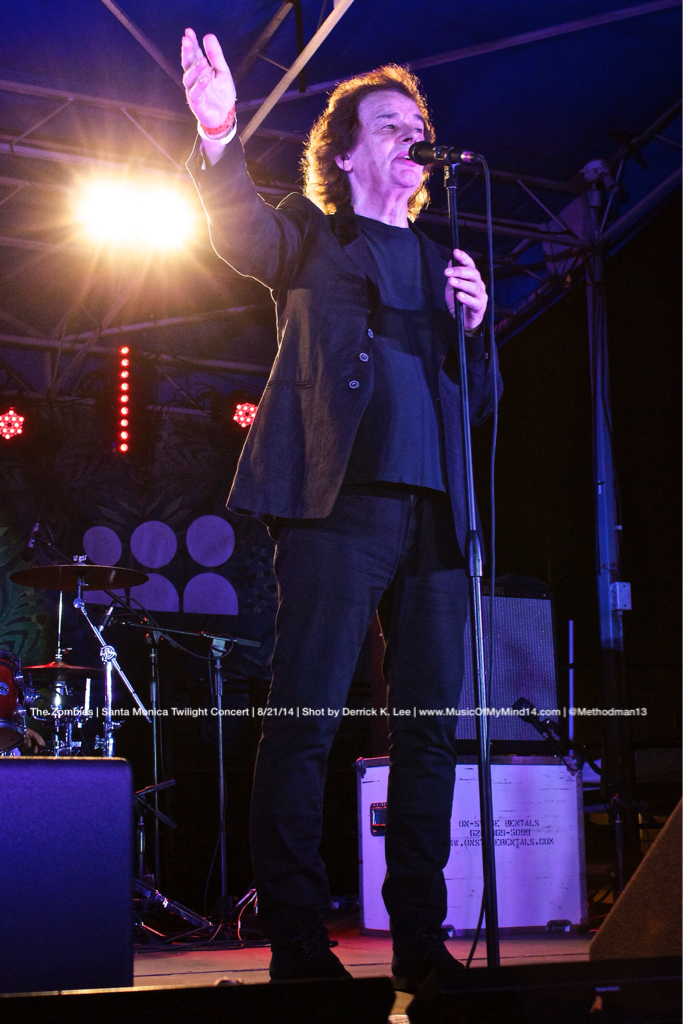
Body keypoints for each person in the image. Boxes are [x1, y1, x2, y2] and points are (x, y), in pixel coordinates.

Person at [181, 28, 501, 991]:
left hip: (437, 520)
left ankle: (420, 944)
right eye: (390, 124)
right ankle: (298, 944)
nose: (411, 136)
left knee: (429, 735)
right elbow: (236, 228)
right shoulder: (312, 239)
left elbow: (479, 407)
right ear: (348, 151)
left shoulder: (445, 261)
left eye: (417, 124)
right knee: (307, 720)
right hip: (335, 508)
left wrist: (477, 329)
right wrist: (218, 132)